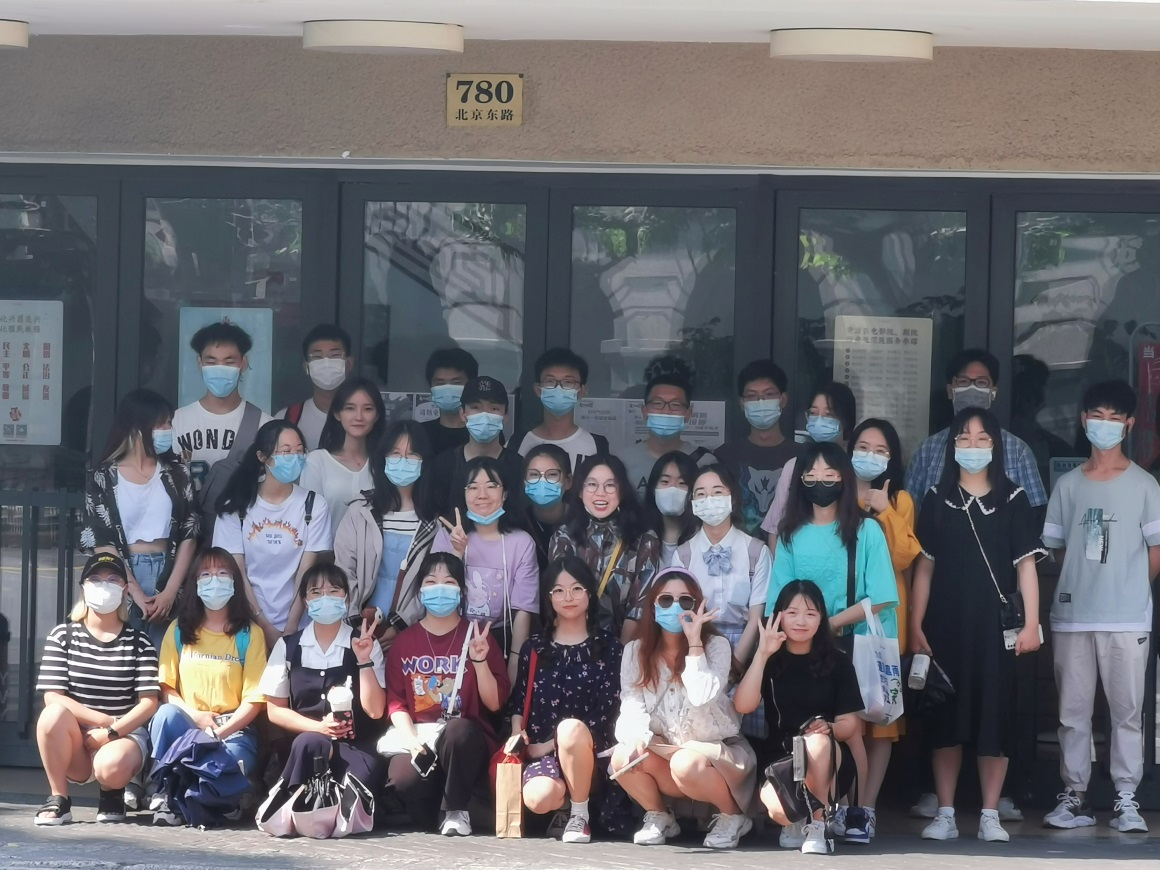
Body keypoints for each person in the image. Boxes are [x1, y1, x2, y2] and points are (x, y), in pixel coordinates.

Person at [910, 407, 1044, 844]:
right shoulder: (936, 498)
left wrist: (1031, 624)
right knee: (945, 719)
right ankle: (946, 813)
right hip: (944, 626)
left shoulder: (1014, 498)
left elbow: (1026, 567)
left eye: (982, 438)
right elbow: (924, 569)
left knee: (994, 719)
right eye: (964, 438)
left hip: (995, 632)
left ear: (996, 446)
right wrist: (915, 623)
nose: (973, 446)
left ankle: (990, 814)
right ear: (951, 446)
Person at [1041, 381, 1160, 834]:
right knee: (1072, 713)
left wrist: (1129, 586)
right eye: (1097, 415)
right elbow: (1054, 548)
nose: (1104, 425)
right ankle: (1075, 796)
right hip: (1072, 617)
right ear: (1083, 420)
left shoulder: (1145, 485)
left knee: (1127, 711)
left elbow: (1156, 550)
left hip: (1127, 617)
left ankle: (1126, 797)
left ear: (1128, 424)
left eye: (1114, 417)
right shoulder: (1068, 485)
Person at [766, 441, 898, 844]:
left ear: (844, 479)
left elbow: (883, 594)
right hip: (803, 647)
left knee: (853, 730)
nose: (819, 482)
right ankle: (815, 809)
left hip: (853, 644)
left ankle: (861, 810)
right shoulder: (789, 535)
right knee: (810, 730)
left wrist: (830, 624)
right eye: (810, 475)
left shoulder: (866, 530)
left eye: (829, 474)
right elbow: (777, 600)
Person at [610, 568, 757, 850]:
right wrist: (637, 738)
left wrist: (694, 642)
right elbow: (631, 701)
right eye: (666, 600)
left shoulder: (717, 646)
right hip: (666, 748)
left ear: (698, 605)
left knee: (685, 763)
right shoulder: (635, 651)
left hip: (715, 752)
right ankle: (660, 815)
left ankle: (734, 816)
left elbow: (702, 696)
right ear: (653, 606)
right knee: (622, 757)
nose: (675, 607)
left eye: (685, 601)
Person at [382, 552, 511, 837]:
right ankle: (438, 808)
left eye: (449, 582)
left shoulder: (478, 636)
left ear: (462, 591)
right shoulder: (404, 643)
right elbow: (396, 705)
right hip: (421, 735)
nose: (440, 588)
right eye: (431, 582)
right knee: (403, 781)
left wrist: (479, 661)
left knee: (458, 731)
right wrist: (412, 744)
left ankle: (456, 810)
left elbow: (495, 703)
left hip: (465, 740)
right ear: (420, 591)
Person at [734, 581, 862, 855]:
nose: (801, 621)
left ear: (821, 618)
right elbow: (743, 705)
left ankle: (817, 824)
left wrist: (829, 727)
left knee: (816, 742)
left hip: (828, 758)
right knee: (780, 812)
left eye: (810, 614)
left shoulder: (838, 662)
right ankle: (800, 817)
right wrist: (762, 653)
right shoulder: (770, 660)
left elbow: (850, 725)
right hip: (781, 757)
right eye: (792, 613)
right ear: (779, 616)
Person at [34, 554, 160, 826]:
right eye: (95, 579)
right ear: (83, 588)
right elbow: (53, 696)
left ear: (125, 590)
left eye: (113, 579)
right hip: (78, 739)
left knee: (110, 767)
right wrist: (102, 721)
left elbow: (149, 702)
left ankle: (112, 793)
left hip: (123, 736)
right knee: (51, 715)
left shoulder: (140, 642)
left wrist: (112, 731)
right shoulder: (62, 636)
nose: (104, 585)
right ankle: (58, 798)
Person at [505, 557, 623, 844]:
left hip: (592, 753)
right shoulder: (535, 647)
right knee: (538, 798)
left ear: (590, 593)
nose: (568, 597)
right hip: (541, 754)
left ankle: (579, 815)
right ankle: (565, 805)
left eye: (577, 589)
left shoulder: (610, 648)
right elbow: (519, 702)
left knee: (571, 730)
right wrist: (518, 733)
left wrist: (551, 745)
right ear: (549, 597)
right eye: (558, 590)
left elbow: (606, 712)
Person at [148, 547, 268, 826]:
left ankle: (215, 797)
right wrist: (196, 717)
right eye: (206, 574)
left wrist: (218, 733)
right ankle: (167, 792)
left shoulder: (250, 634)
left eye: (223, 573)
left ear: (235, 583)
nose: (215, 580)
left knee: (230, 762)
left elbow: (254, 700)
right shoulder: (179, 629)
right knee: (164, 716)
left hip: (233, 730)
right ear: (195, 583)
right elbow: (167, 689)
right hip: (189, 723)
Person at [83, 388, 198, 650]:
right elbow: (101, 539)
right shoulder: (102, 476)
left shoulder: (178, 472)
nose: (168, 429)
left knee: (165, 657)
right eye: (162, 424)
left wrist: (170, 591)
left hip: (169, 570)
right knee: (121, 654)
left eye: (169, 423)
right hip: (121, 572)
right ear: (138, 427)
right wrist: (133, 590)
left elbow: (190, 533)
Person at [259, 564, 387, 799]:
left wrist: (364, 661)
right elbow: (275, 711)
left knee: (355, 793)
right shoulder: (288, 646)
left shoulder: (365, 643)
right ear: (305, 601)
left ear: (346, 598)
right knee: (309, 743)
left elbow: (376, 711)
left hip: (356, 744)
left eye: (334, 591)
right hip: (304, 744)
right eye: (316, 592)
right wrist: (319, 727)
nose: (325, 598)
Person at [847, 418, 921, 820]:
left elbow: (904, 557)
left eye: (881, 450)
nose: (870, 456)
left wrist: (885, 511)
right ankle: (842, 804)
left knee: (881, 722)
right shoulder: (836, 494)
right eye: (863, 447)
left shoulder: (901, 500)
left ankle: (867, 807)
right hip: (843, 620)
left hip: (884, 625)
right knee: (846, 720)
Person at [213, 420, 333, 647]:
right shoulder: (236, 507)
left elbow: (305, 572)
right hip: (246, 621)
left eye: (299, 451)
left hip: (299, 623)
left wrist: (291, 627)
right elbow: (237, 572)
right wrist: (264, 626)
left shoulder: (314, 505)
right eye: (286, 451)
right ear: (262, 457)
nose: (295, 457)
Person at [334, 420, 439, 652]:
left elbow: (436, 580)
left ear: (425, 461)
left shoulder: (436, 521)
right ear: (382, 459)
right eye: (396, 454)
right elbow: (343, 569)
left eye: (412, 454)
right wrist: (357, 622)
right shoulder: (360, 511)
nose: (403, 461)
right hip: (358, 630)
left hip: (414, 632)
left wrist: (401, 625)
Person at [432, 456, 540, 683]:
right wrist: (457, 552)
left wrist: (515, 660)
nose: (482, 494)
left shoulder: (521, 542)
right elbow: (437, 593)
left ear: (505, 494)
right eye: (472, 487)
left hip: (500, 639)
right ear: (463, 494)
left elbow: (523, 609)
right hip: (452, 634)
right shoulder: (447, 535)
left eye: (491, 486)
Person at [905, 349, 1046, 514]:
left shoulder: (1018, 451)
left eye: (981, 383)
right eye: (964, 382)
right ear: (950, 391)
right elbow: (908, 513)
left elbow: (1035, 515)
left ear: (993, 392)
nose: (972, 388)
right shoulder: (927, 450)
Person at [549, 455, 661, 643]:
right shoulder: (563, 537)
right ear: (580, 491)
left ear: (622, 491)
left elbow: (639, 607)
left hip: (626, 644)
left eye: (610, 485)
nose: (600, 493)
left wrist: (619, 653)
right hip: (574, 641)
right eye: (592, 485)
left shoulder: (645, 539)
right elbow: (558, 598)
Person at [671, 464, 771, 674]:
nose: (709, 499)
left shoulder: (756, 552)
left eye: (717, 492)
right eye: (701, 494)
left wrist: (734, 667)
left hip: (744, 650)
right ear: (693, 503)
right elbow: (680, 616)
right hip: (695, 644)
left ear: (732, 498)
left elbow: (755, 619)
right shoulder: (683, 555)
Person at [172, 321, 272, 502]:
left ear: (243, 363)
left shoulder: (265, 425)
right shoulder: (176, 422)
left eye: (229, 361)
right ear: (200, 363)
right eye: (211, 362)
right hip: (189, 519)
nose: (220, 369)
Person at [759, 382, 856, 549]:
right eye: (813, 413)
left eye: (828, 414)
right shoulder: (794, 466)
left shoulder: (855, 467)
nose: (819, 420)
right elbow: (775, 529)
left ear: (846, 420)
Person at [713, 359, 801, 536]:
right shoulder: (725, 456)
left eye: (769, 394)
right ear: (742, 403)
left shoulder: (803, 456)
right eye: (752, 396)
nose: (761, 401)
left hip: (788, 548)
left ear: (783, 400)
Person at [619, 355, 715, 497]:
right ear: (644, 411)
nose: (666, 411)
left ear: (688, 414)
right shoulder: (622, 462)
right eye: (658, 403)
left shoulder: (705, 463)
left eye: (675, 405)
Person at [429, 375, 524, 516]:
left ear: (505, 416)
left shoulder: (518, 466)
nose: (484, 415)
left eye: (494, 408)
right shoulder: (445, 463)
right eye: (475, 408)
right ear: (463, 414)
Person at [300, 377, 385, 529]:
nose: (359, 417)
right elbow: (308, 523)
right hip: (326, 545)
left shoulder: (385, 463)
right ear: (337, 414)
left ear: (377, 415)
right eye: (350, 408)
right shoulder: (317, 462)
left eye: (368, 409)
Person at [513, 348, 609, 471]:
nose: (558, 388)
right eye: (550, 381)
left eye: (568, 382)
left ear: (582, 391)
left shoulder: (597, 445)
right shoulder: (517, 444)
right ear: (538, 389)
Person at [275, 324, 354, 451]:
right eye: (317, 357)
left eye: (335, 355)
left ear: (349, 364)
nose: (326, 364)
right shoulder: (286, 418)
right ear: (307, 367)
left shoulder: (363, 419)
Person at [520, 444, 573, 571]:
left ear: (568, 481)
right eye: (534, 475)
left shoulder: (583, 523)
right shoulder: (518, 524)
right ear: (524, 482)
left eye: (552, 474)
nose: (542, 482)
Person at [642, 451, 699, 568]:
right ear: (653, 488)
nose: (673, 488)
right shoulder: (639, 539)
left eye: (682, 483)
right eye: (665, 482)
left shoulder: (703, 538)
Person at [420, 347, 479, 458]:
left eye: (456, 383)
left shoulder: (483, 432)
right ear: (430, 387)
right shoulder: (420, 434)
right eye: (440, 383)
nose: (447, 390)